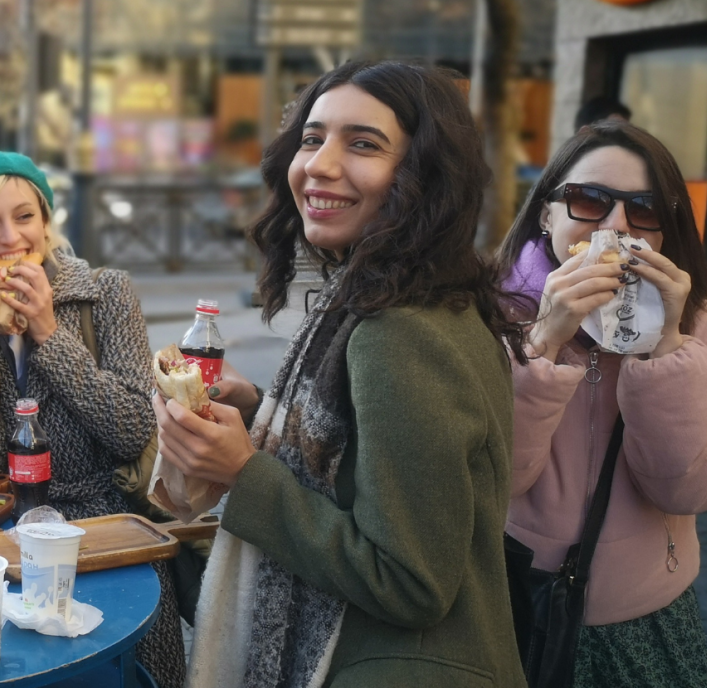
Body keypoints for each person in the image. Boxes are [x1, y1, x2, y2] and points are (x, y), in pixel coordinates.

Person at [155, 60, 527, 687]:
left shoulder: (401, 331)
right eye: (311, 137)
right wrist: (256, 410)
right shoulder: (399, 293)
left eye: (363, 144)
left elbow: (410, 582)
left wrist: (244, 474)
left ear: (422, 174)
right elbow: (374, 460)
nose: (320, 165)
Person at [496, 119, 707, 687]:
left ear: (666, 229)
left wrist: (667, 350)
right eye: (589, 200)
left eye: (644, 210)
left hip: (649, 618)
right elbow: (491, 475)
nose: (616, 226)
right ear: (546, 213)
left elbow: (697, 488)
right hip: (507, 600)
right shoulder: (485, 317)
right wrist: (541, 343)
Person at [0, 150, 185, 687]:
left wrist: (49, 332)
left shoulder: (106, 292)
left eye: (25, 216)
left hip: (106, 534)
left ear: (46, 223)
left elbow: (131, 429)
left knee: (129, 673)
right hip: (12, 548)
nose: (10, 238)